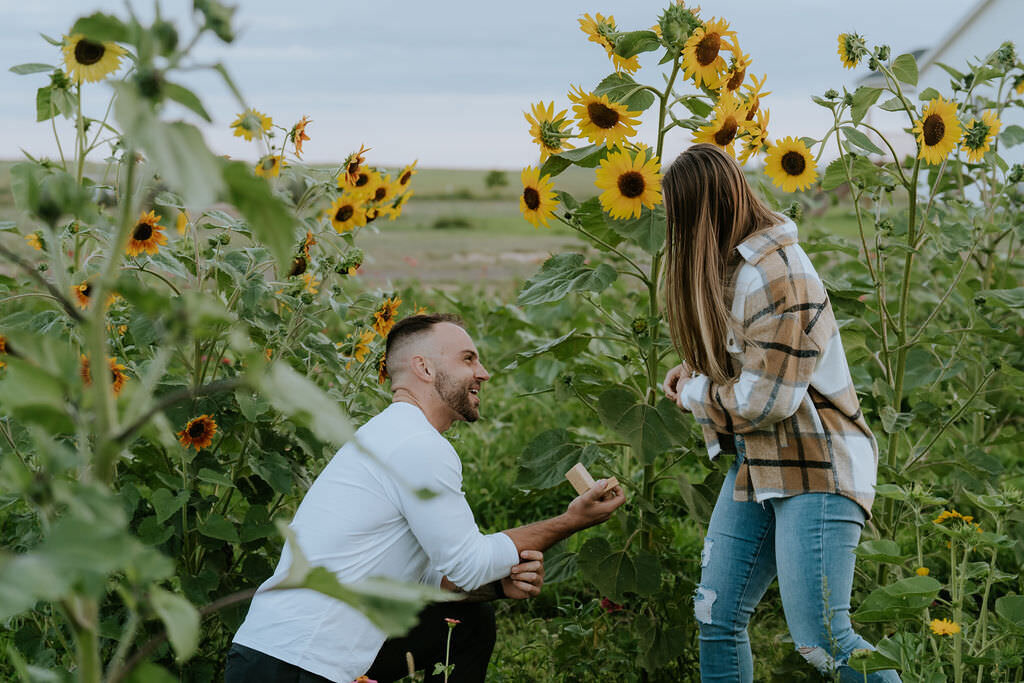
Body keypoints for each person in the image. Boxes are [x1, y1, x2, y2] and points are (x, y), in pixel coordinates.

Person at [227, 313, 626, 683]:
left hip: (277, 655)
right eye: (469, 359)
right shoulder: (416, 443)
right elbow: (469, 566)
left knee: (470, 619)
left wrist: (499, 586)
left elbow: (429, 580)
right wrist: (573, 520)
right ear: (424, 367)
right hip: (296, 664)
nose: (483, 373)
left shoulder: (390, 434)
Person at [659, 144, 899, 682]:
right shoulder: (740, 265)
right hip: (760, 462)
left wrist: (695, 393)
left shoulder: (776, 272)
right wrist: (692, 367)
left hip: (818, 465)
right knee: (716, 616)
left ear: (699, 213)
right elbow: (754, 353)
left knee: (824, 640)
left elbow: (768, 401)